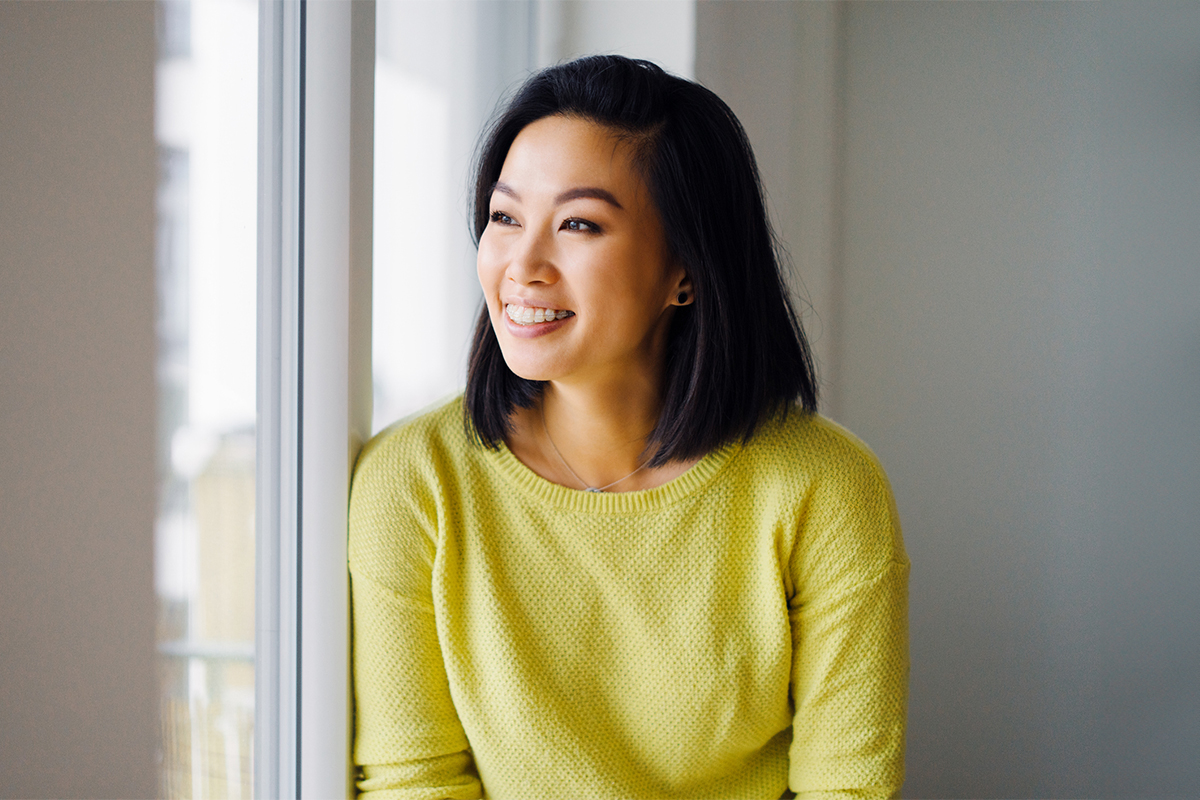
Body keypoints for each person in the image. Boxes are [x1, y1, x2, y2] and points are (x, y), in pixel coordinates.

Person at [349, 55, 909, 800]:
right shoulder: (415, 481)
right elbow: (412, 782)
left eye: (579, 224)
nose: (523, 264)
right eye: (505, 217)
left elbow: (848, 788)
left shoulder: (827, 488)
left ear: (686, 269)